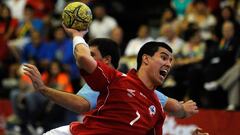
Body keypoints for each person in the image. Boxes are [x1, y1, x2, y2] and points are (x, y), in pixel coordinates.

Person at [23, 27, 204, 134]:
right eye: (164, 58)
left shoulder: (157, 106)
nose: (169, 64)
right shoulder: (115, 79)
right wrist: (78, 34)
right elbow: (83, 61)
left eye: (171, 60)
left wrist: (183, 110)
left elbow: (175, 107)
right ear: (146, 59)